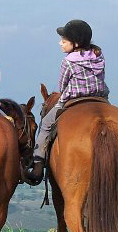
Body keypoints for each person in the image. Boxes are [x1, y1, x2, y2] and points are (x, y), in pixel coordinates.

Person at [24, 20, 109, 184]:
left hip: (73, 99)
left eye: (64, 41)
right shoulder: (99, 55)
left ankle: (37, 166)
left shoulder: (68, 61)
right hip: (101, 98)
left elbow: (63, 86)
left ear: (75, 43)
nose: (60, 43)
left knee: (45, 125)